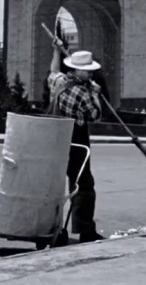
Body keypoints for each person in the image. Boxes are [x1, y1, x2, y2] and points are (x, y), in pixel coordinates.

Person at [48, 44, 105, 243]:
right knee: (83, 185)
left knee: (51, 185)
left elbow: (53, 71)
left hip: (54, 139)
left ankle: (45, 225)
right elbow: (95, 115)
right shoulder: (82, 93)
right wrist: (96, 94)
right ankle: (85, 230)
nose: (90, 75)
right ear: (77, 70)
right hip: (76, 142)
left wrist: (56, 51)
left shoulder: (58, 82)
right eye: (87, 72)